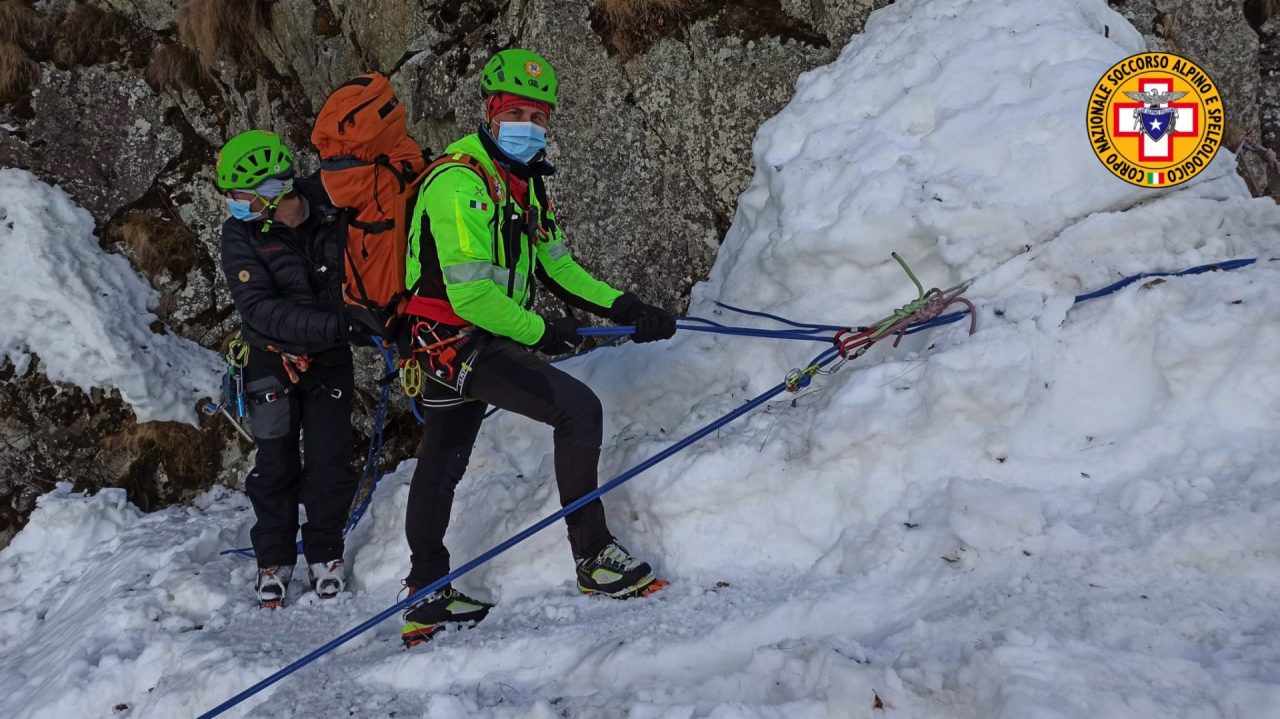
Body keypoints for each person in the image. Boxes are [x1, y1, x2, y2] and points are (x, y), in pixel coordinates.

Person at [397, 48, 677, 645]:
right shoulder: (459, 182)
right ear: (491, 111)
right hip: (460, 339)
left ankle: (426, 594)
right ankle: (595, 557)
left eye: (541, 115)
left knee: (442, 461)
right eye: (518, 111)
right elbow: (470, 296)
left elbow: (558, 267)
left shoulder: (522, 185)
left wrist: (625, 306)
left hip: (452, 344)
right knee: (577, 410)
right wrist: (542, 332)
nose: (531, 124)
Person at [216, 130, 357, 608]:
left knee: (328, 458)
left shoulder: (334, 207)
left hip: (330, 360)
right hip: (270, 357)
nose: (235, 206)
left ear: (271, 189)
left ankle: (325, 551)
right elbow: (259, 308)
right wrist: (340, 327)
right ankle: (273, 558)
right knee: (275, 461)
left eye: (239, 196)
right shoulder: (240, 234)